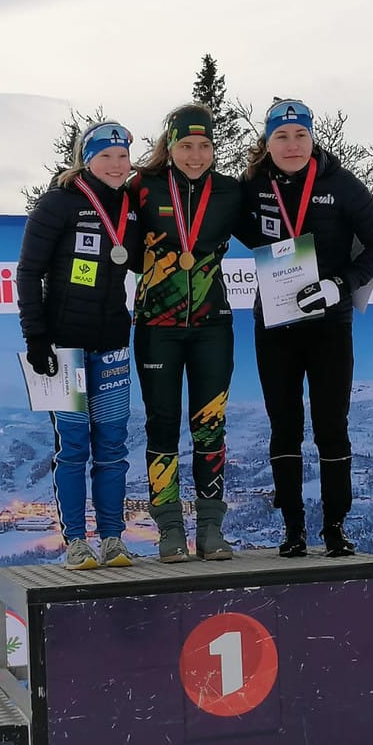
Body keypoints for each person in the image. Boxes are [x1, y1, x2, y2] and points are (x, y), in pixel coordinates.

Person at [240, 98, 373, 557]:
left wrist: (339, 285)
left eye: (300, 135)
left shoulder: (341, 184)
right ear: (267, 143)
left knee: (332, 425)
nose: (291, 145)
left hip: (329, 324)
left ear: (312, 138)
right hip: (275, 323)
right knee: (283, 426)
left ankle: (334, 527)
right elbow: (224, 222)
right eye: (281, 136)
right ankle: (292, 529)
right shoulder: (251, 186)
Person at [17, 120, 141, 570]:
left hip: (111, 342)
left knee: (112, 445)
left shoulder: (132, 204)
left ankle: (113, 538)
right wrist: (36, 339)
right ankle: (76, 541)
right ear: (86, 159)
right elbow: (29, 273)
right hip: (64, 347)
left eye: (122, 156)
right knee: (73, 446)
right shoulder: (58, 203)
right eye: (105, 155)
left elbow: (145, 256)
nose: (114, 164)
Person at [127, 104, 243, 562]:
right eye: (186, 145)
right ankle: (170, 528)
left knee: (210, 427)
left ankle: (211, 527)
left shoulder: (231, 192)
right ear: (170, 146)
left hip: (214, 327)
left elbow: (277, 231)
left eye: (204, 146)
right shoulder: (142, 188)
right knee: (162, 426)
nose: (196, 155)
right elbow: (102, 212)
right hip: (157, 327)